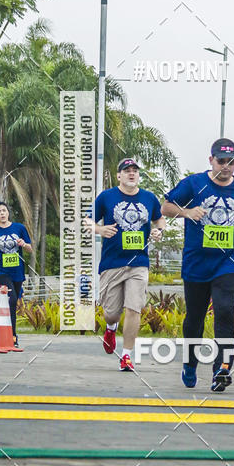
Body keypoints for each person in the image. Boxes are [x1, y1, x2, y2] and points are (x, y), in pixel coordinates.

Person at [162, 138, 234, 393]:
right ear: (211, 160)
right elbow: (165, 206)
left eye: (231, 162)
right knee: (195, 318)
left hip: (227, 262)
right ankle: (190, 363)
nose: (226, 166)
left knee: (226, 310)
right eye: (221, 161)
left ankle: (221, 369)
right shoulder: (194, 183)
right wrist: (186, 212)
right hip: (196, 263)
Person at [85, 159, 165, 372]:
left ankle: (127, 355)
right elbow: (86, 221)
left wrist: (159, 231)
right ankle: (111, 327)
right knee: (112, 312)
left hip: (139, 262)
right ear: (118, 175)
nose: (131, 174)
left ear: (138, 176)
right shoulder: (106, 197)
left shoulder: (149, 198)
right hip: (112, 263)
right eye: (126, 171)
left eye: (134, 171)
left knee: (134, 307)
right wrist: (99, 230)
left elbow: (159, 220)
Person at [0, 201, 31, 350]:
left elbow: (30, 248)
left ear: (8, 213)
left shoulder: (19, 228)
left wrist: (23, 244)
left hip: (17, 272)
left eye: (4, 210)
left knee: (13, 304)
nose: (2, 213)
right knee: (11, 299)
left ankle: (11, 338)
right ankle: (11, 337)